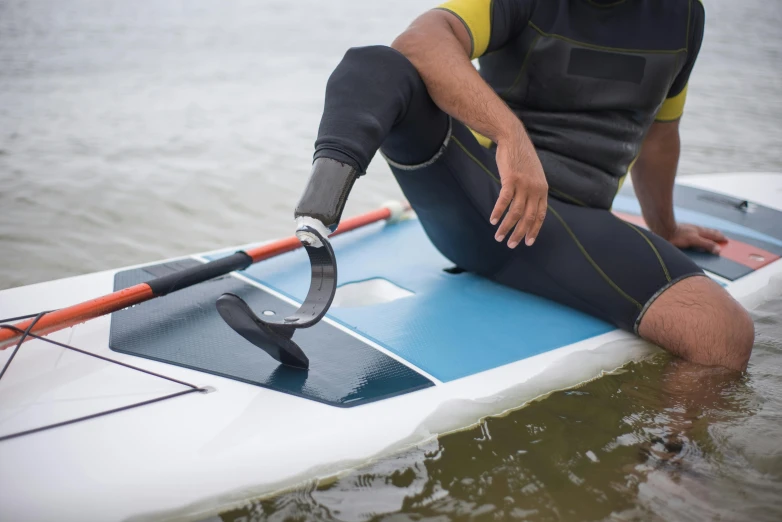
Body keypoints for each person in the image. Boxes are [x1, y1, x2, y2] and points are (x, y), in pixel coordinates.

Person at [292, 0, 755, 372]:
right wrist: (510, 135)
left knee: (723, 333)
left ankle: (667, 466)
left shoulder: (685, 17)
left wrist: (666, 227)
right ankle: (316, 219)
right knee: (377, 64)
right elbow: (421, 40)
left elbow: (659, 136)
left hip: (568, 229)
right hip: (481, 200)